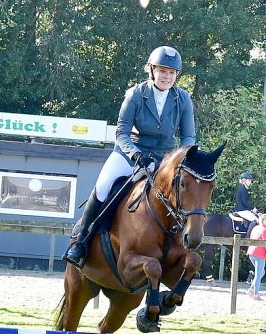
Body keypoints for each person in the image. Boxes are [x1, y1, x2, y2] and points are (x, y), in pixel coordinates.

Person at [63, 46, 196, 268]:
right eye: (163, 70)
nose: (167, 76)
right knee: (104, 186)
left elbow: (189, 136)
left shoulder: (183, 98)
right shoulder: (136, 94)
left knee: (185, 193)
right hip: (130, 153)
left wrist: (184, 159)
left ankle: (181, 243)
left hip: (164, 158)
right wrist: (136, 154)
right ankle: (81, 242)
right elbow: (121, 132)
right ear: (152, 70)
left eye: (172, 73)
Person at [246, 213, 266, 300]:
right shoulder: (265, 230)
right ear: (264, 221)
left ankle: (251, 289)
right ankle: (256, 295)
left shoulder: (256, 227)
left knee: (261, 273)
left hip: (251, 252)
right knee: (258, 274)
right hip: (259, 254)